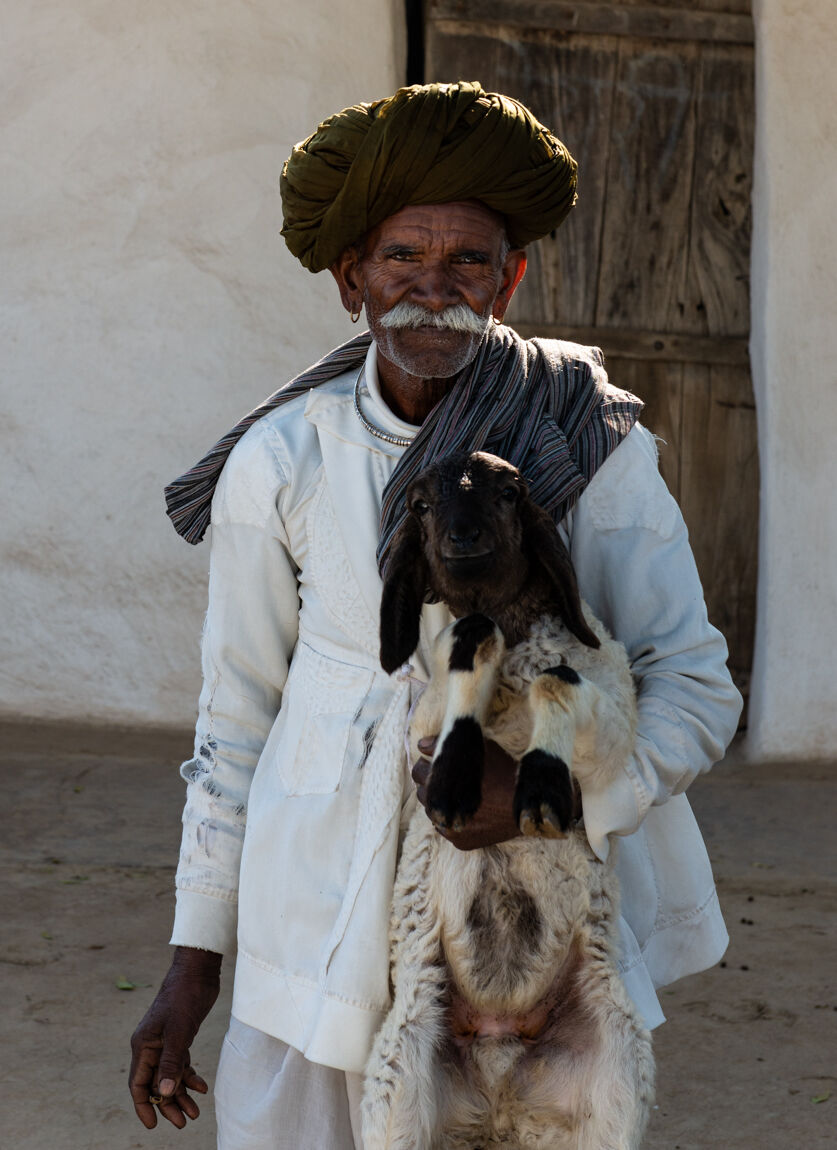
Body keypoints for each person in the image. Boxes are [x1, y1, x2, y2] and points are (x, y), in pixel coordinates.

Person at [129, 81, 742, 1147]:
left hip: (538, 943)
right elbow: (235, 720)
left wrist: (557, 801)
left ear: (509, 278)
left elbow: (692, 683)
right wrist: (194, 962)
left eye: (466, 260)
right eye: (400, 256)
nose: (431, 287)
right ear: (350, 280)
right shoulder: (284, 459)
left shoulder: (589, 443)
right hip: (315, 930)